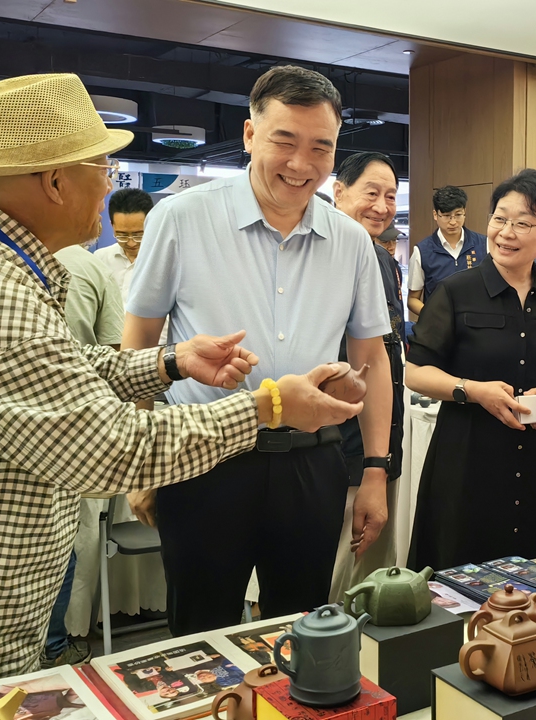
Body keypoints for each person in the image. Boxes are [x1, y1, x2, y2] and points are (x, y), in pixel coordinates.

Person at [0, 73, 362, 705]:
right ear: (56, 179)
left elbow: (53, 371)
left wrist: (168, 363)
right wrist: (269, 406)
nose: (111, 184)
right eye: (103, 166)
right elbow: (106, 447)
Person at [122, 66, 393, 635]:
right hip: (204, 456)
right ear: (249, 136)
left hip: (312, 462)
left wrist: (374, 470)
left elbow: (374, 355)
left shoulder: (350, 241)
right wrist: (140, 464)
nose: (302, 164)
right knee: (200, 629)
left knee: (304, 629)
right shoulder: (181, 217)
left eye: (321, 147)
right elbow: (140, 342)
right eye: (284, 141)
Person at [405, 169, 536, 570]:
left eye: (522, 223)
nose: (506, 232)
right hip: (467, 459)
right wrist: (473, 390)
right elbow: (415, 372)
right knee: (460, 576)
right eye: (500, 219)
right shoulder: (454, 292)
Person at [40, 234, 128, 669]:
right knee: (65, 541)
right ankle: (56, 645)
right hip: (78, 424)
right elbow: (112, 350)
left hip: (25, 429)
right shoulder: (91, 265)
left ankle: (50, 643)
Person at [329, 151, 406, 598]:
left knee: (366, 566)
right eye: (371, 193)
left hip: (376, 437)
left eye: (391, 196)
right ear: (339, 192)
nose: (382, 206)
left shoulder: (380, 258)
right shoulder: (330, 253)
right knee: (344, 569)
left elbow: (386, 351)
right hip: (343, 438)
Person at [408, 185, 487, 320]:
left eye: (458, 215)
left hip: (476, 327)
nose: (453, 222)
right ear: (435, 215)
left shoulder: (484, 244)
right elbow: (412, 299)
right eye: (446, 216)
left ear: (465, 212)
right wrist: (435, 317)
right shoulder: (422, 251)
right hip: (439, 329)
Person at [98, 187, 153, 301]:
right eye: (122, 235)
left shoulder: (165, 261)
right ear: (112, 226)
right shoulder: (100, 259)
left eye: (139, 235)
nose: (131, 243)